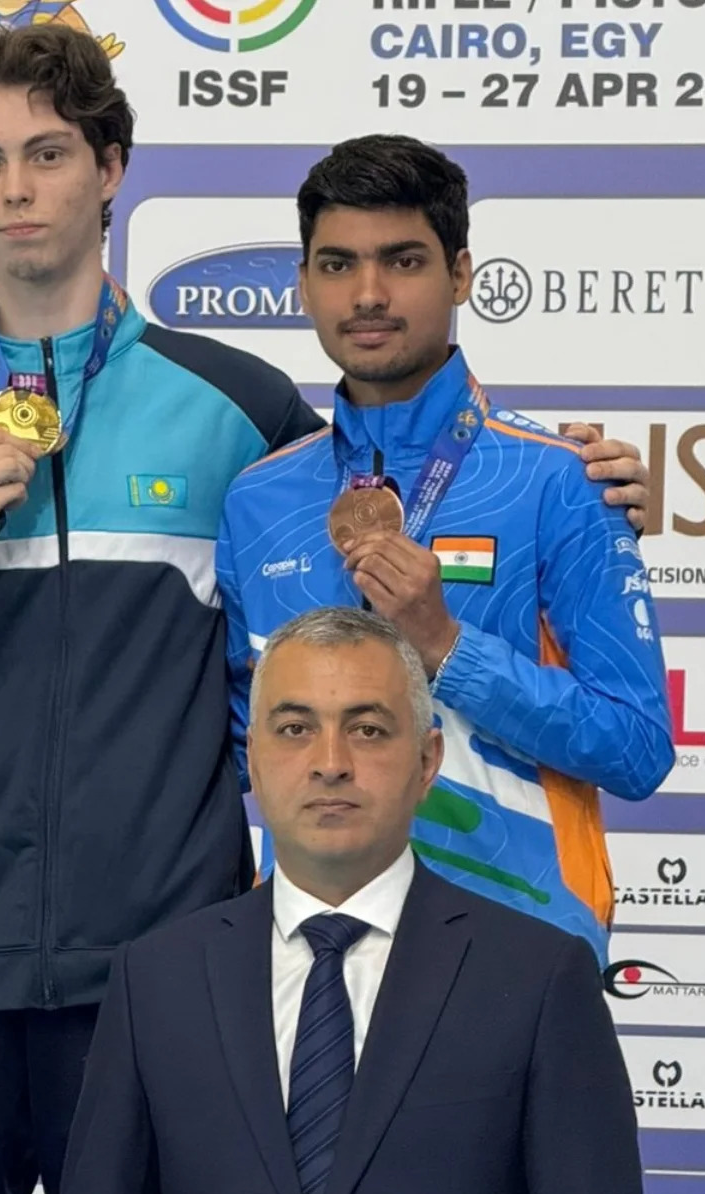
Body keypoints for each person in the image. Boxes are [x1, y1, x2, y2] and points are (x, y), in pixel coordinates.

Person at [0, 30, 650, 1194]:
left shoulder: (242, 416)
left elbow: (388, 468)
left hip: (163, 966)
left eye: (49, 154)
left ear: (112, 168)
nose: (18, 189)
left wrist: (589, 477)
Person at [25, 608, 649, 1194]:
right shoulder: (158, 978)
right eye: (295, 728)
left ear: (427, 761)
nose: (330, 762)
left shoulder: (538, 978)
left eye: (368, 728)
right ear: (253, 755)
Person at [218, 135, 673, 959]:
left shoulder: (560, 480)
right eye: (337, 265)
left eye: (402, 261)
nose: (368, 294)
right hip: (314, 949)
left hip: (519, 948)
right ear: (303, 284)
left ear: (460, 275)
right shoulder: (259, 500)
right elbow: (241, 742)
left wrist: (447, 646)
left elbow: (637, 749)